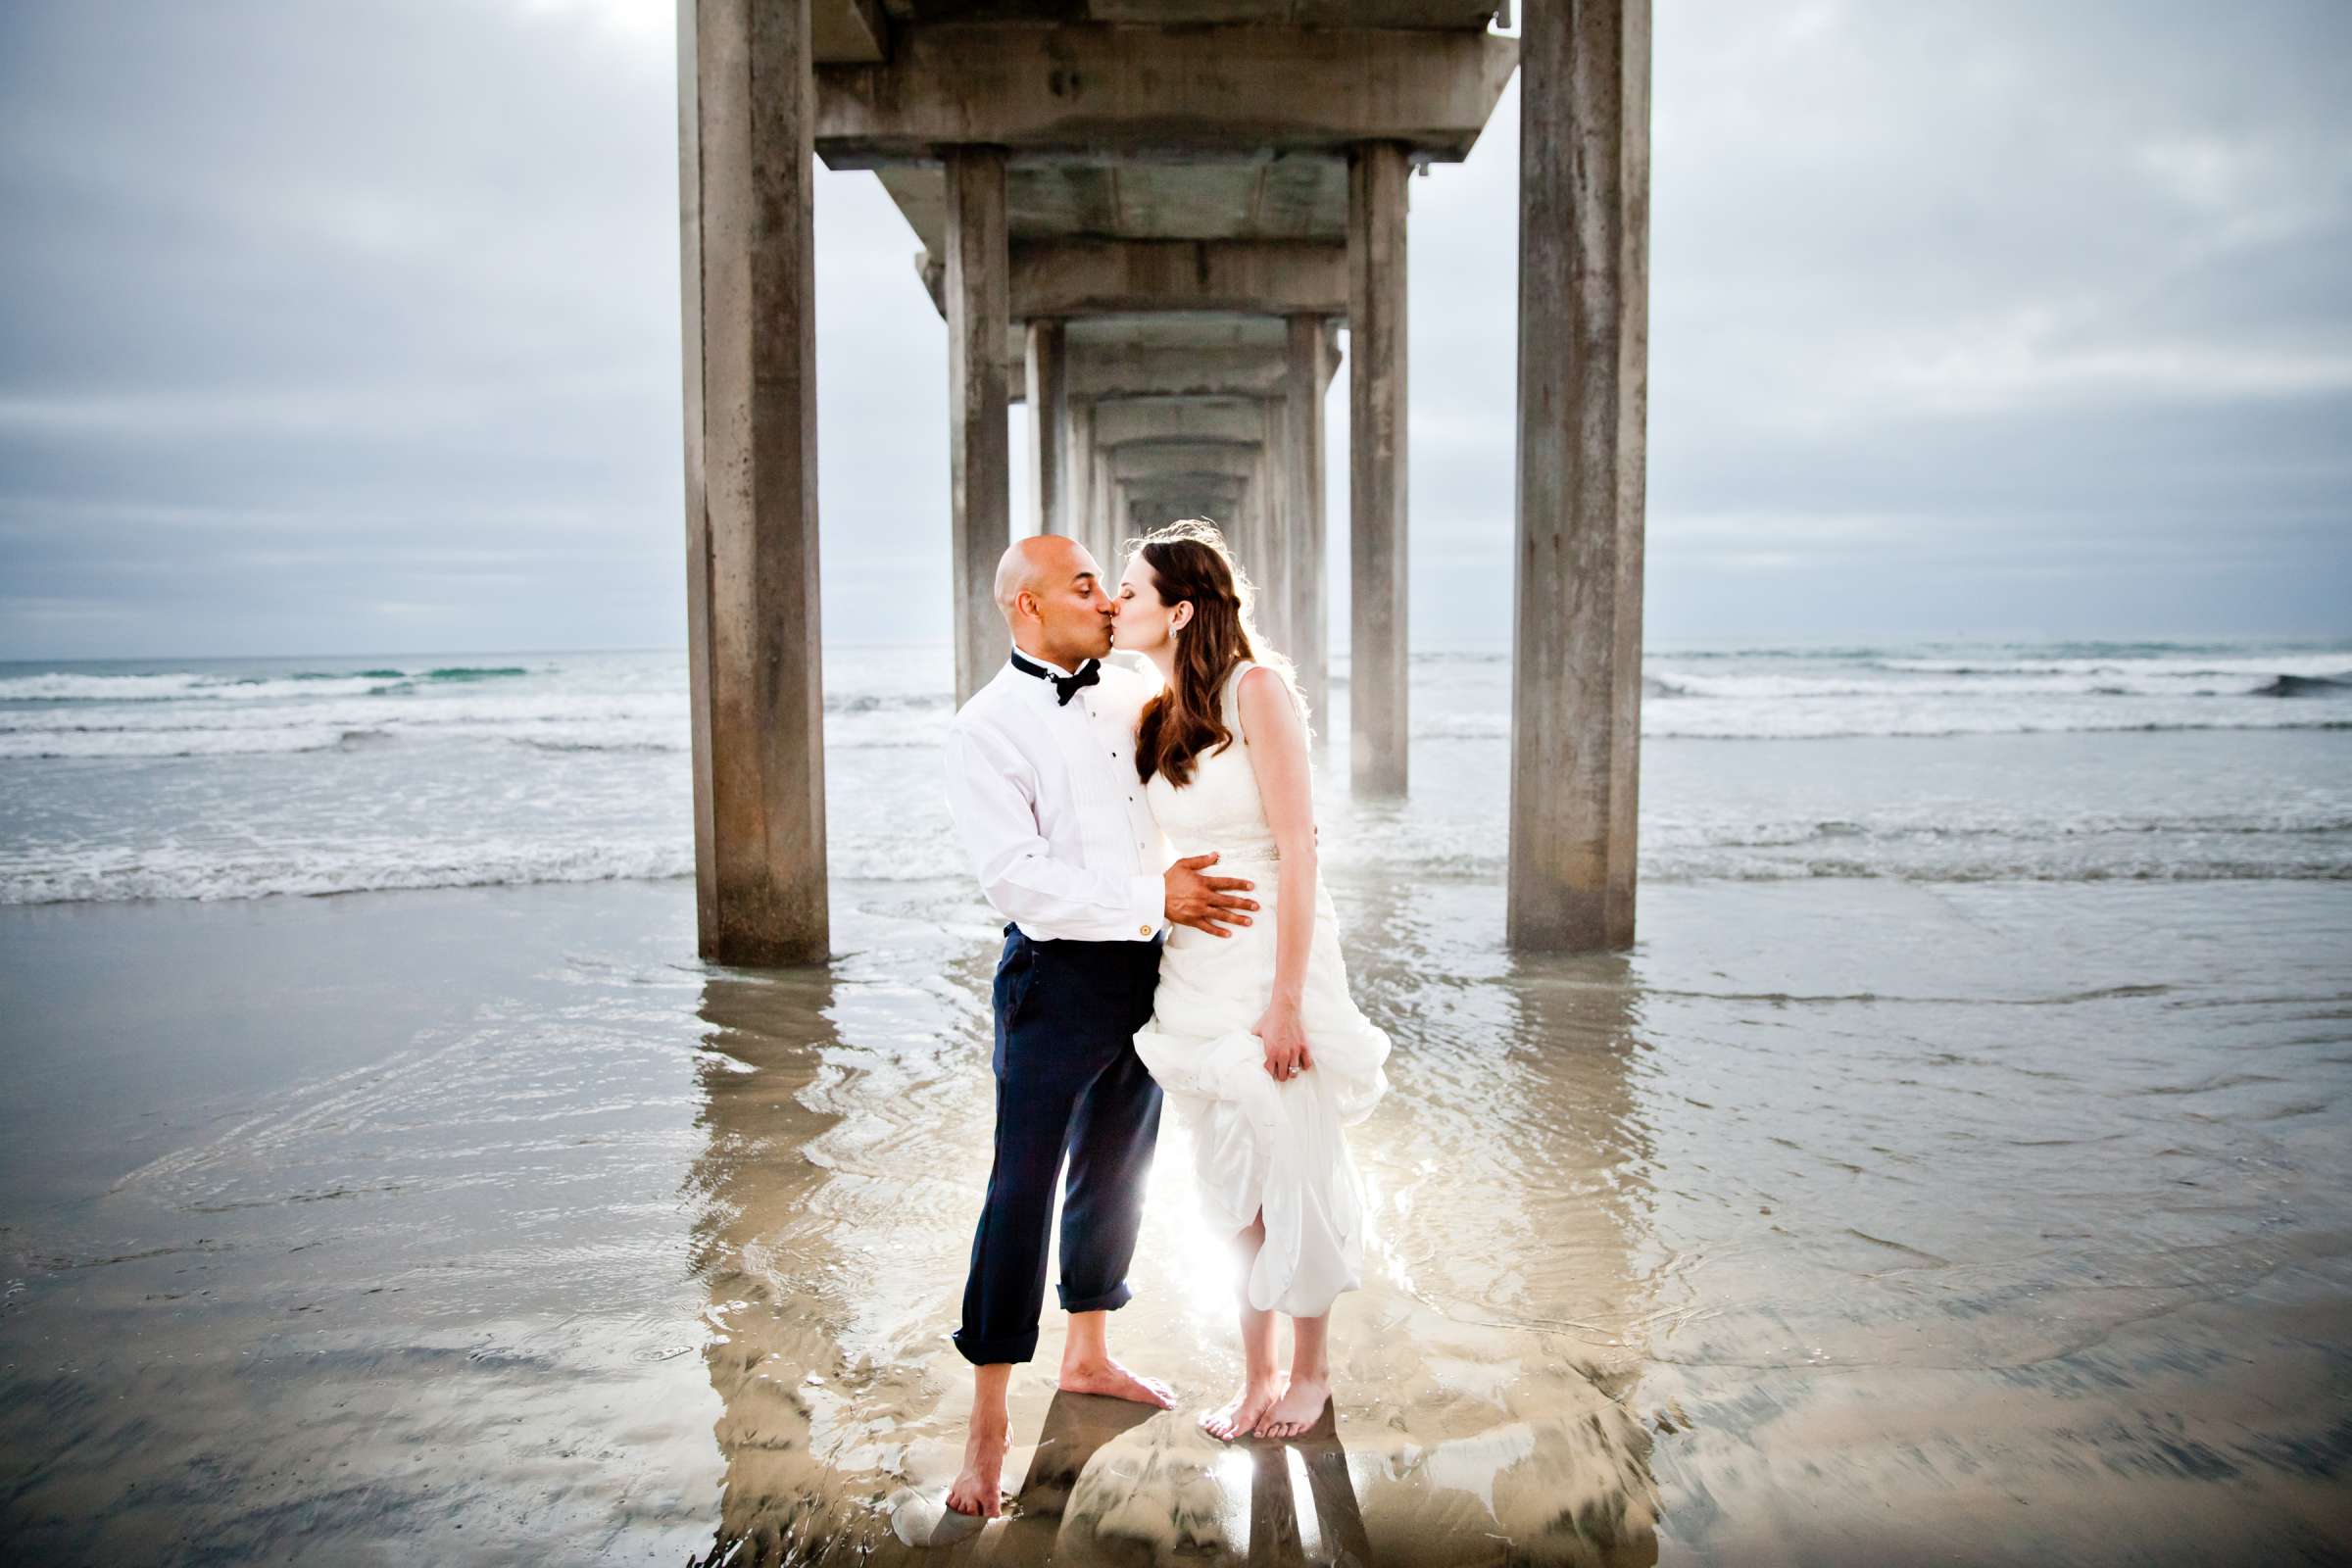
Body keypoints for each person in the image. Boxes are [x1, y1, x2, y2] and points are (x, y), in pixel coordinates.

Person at [939, 533, 1261, 1518]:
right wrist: (1152, 892)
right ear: (1027, 606)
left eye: (1108, 584)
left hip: (1153, 968)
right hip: (1053, 977)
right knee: (1019, 1188)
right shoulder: (984, 727)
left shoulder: (1131, 691)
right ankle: (987, 1423)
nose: (1105, 601)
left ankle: (1089, 1353)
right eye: (1085, 586)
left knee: (1121, 1165)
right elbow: (1018, 879)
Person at [1113, 519, 1394, 1443]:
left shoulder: (1257, 691)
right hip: (1193, 968)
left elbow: (1300, 847)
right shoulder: (1153, 716)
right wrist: (1158, 896)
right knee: (1227, 1175)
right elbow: (1138, 847)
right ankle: (1256, 1375)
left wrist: (1286, 1000)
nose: (1116, 603)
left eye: (1131, 590)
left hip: (1272, 958)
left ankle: (1311, 1372)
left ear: (1180, 610)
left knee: (1294, 1161)